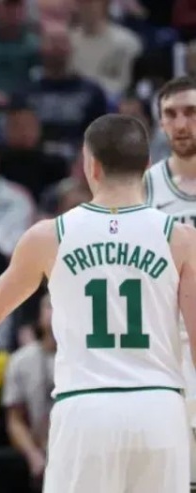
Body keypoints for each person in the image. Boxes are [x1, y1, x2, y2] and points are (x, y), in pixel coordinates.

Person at [0, 114, 196, 493]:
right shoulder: (182, 239)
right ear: (148, 165)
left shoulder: (50, 235)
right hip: (158, 409)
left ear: (90, 166)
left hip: (85, 409)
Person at [143, 75, 196, 482]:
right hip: (168, 341)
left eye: (191, 113)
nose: (181, 124)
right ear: (160, 123)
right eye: (171, 114)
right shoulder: (143, 187)